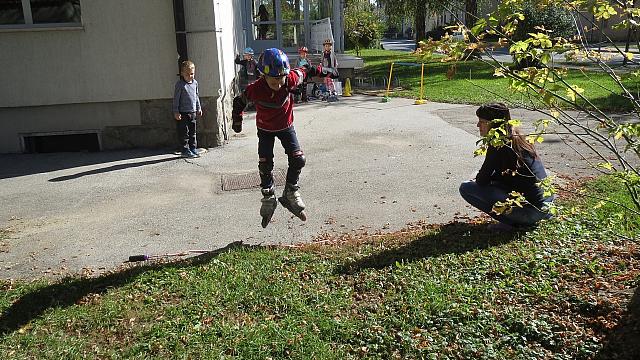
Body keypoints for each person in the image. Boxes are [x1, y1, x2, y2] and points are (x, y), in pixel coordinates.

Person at [231, 48, 338, 228]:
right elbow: (238, 102)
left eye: (281, 79)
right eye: (274, 80)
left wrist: (328, 72)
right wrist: (237, 122)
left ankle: (290, 192)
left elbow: (307, 71)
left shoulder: (290, 78)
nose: (279, 84)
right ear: (263, 75)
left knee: (298, 159)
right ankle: (268, 196)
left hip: (286, 127)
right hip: (265, 129)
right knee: (265, 163)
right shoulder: (255, 89)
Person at [459, 103, 555, 231]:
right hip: (546, 206)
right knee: (492, 184)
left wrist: (479, 178)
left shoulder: (497, 144)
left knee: (466, 188)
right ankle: (524, 218)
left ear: (494, 124)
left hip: (532, 213)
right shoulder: (517, 138)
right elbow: (508, 177)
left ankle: (511, 223)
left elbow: (482, 181)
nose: (478, 125)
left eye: (482, 121)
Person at [172, 60, 202, 158]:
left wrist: (198, 108)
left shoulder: (195, 83)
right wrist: (176, 111)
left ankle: (193, 148)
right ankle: (185, 150)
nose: (190, 76)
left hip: (192, 112)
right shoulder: (180, 85)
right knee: (184, 133)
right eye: (187, 74)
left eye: (192, 74)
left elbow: (196, 96)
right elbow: (176, 99)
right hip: (183, 113)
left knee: (193, 132)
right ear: (182, 73)